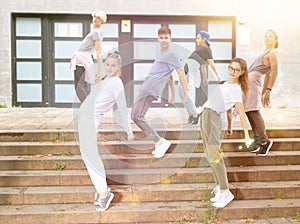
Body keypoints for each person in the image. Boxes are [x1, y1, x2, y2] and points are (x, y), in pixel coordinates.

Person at [78, 51, 134, 212]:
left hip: (90, 120)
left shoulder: (116, 82)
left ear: (119, 67)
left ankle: (104, 193)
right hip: (84, 119)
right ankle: (101, 191)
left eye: (113, 65)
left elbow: (121, 109)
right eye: (107, 64)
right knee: (87, 156)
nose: (110, 68)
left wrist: (128, 130)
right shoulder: (106, 80)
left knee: (90, 156)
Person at [199, 58, 252, 208]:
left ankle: (225, 190)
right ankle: (219, 188)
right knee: (210, 154)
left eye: (236, 70)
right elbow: (228, 109)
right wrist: (229, 126)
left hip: (213, 116)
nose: (231, 71)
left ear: (242, 72)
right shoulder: (226, 84)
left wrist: (247, 135)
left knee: (214, 153)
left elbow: (241, 113)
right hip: (206, 114)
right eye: (230, 68)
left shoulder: (236, 88)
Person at [131, 25, 188, 159]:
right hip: (147, 87)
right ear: (157, 39)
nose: (163, 40)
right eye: (161, 38)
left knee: (136, 116)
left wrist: (185, 93)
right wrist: (173, 94)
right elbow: (170, 75)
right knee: (137, 116)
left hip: (150, 89)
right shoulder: (162, 54)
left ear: (170, 39)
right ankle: (159, 142)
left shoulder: (171, 54)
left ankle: (160, 141)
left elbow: (181, 73)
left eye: (166, 38)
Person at [243, 29, 279, 156]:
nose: (267, 38)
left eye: (270, 37)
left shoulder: (273, 53)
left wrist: (268, 91)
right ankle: (258, 140)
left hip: (254, 82)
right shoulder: (265, 52)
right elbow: (268, 75)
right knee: (248, 110)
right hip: (252, 82)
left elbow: (273, 73)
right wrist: (263, 92)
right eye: (265, 36)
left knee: (253, 110)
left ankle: (264, 140)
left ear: (275, 39)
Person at [182, 30, 222, 124]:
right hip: (189, 73)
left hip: (189, 73)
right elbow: (203, 64)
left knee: (186, 95)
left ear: (204, 39)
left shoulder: (205, 49)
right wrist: (204, 78)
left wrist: (217, 76)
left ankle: (194, 115)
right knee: (185, 94)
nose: (196, 40)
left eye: (198, 38)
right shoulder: (203, 50)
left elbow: (209, 64)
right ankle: (194, 115)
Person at [70, 10, 107, 102]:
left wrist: (99, 71)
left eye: (98, 18)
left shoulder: (97, 33)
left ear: (102, 21)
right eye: (94, 17)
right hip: (83, 60)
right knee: (85, 85)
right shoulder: (95, 32)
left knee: (80, 86)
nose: (95, 19)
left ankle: (89, 107)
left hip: (83, 62)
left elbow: (98, 52)